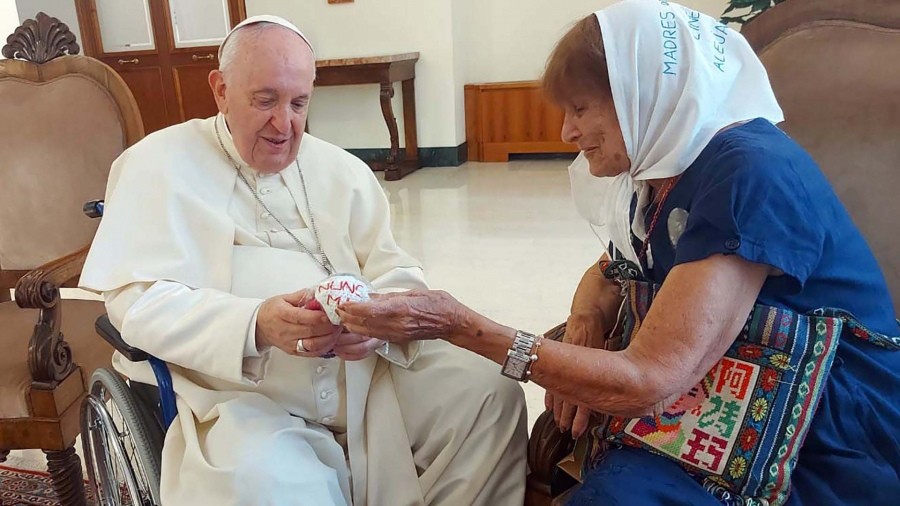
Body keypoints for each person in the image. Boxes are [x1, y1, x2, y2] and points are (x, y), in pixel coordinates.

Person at [337, 1, 900, 504]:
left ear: (641, 92)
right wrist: (584, 319)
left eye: (581, 109)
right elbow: (611, 270)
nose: (566, 132)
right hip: (721, 388)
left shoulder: (747, 172)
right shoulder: (666, 167)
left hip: (822, 421)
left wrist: (455, 324)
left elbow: (650, 378)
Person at [80, 15, 526, 506]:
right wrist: (255, 325)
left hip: (366, 372)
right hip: (236, 393)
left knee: (488, 393)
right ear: (220, 89)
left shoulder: (343, 170)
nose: (284, 124)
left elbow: (395, 268)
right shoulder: (156, 165)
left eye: (299, 103)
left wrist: (380, 322)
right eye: (265, 100)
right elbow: (137, 304)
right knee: (268, 484)